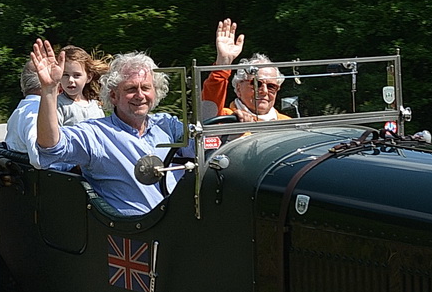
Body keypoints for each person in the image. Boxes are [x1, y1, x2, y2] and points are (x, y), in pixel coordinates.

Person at [29, 37, 191, 216]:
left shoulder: (168, 125)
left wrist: (221, 69)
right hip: (136, 234)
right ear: (113, 96)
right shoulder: (96, 134)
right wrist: (49, 90)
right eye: (130, 89)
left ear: (156, 91)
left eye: (146, 88)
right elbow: (50, 147)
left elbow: (207, 143)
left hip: (183, 223)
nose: (139, 95)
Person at [201, 18, 291, 123]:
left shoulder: (287, 123)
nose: (264, 91)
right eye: (256, 84)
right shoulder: (224, 118)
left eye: (271, 87)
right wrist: (222, 64)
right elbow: (208, 111)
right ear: (238, 88)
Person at [57, 45, 107, 124]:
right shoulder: (57, 104)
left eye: (76, 75)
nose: (70, 80)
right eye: (65, 75)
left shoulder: (96, 105)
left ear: (89, 77)